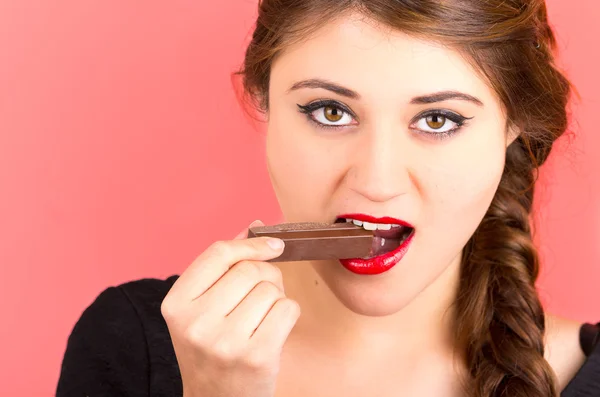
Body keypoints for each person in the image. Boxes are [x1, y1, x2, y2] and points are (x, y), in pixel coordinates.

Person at [56, 0, 600, 396]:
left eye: (438, 120)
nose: (378, 180)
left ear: (513, 129)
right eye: (330, 112)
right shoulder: (130, 347)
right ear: (264, 103)